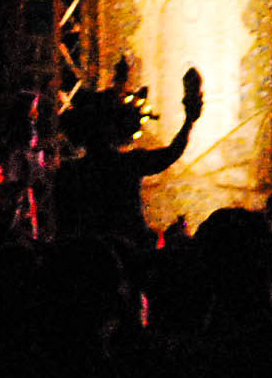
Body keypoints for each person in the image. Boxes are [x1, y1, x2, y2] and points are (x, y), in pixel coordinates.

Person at [55, 61, 203, 246]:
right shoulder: (127, 164)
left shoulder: (68, 171)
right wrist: (189, 120)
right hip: (129, 247)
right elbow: (171, 153)